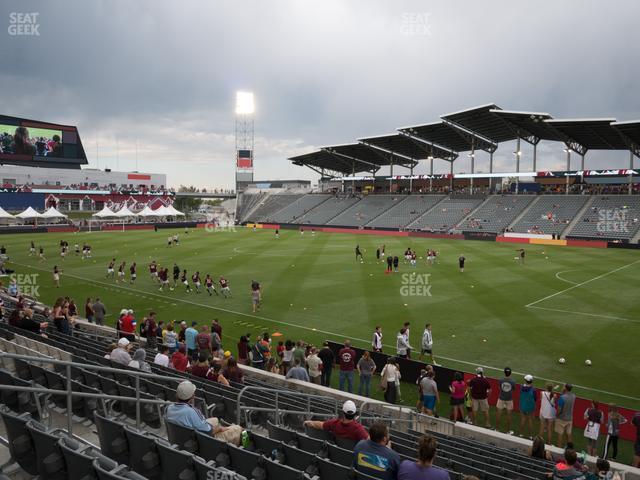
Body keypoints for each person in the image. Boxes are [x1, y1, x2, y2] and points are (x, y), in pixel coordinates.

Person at [165, 381, 243, 445]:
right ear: (192, 397)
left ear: (177, 395)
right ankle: (244, 447)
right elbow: (208, 431)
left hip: (180, 437)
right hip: (202, 441)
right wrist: (219, 428)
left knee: (215, 420)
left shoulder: (169, 408)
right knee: (239, 429)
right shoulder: (191, 412)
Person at [304, 400, 368, 443]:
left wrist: (308, 422)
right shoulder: (358, 429)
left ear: (343, 413)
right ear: (354, 414)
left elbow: (320, 425)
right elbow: (370, 441)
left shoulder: (334, 423)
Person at [496, 367, 516, 434]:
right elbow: (513, 389)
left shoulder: (501, 380)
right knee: (509, 415)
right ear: (510, 373)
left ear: (504, 373)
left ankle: (497, 429)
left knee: (498, 414)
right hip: (509, 399)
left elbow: (499, 387)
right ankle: (508, 431)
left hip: (501, 398)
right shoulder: (513, 381)